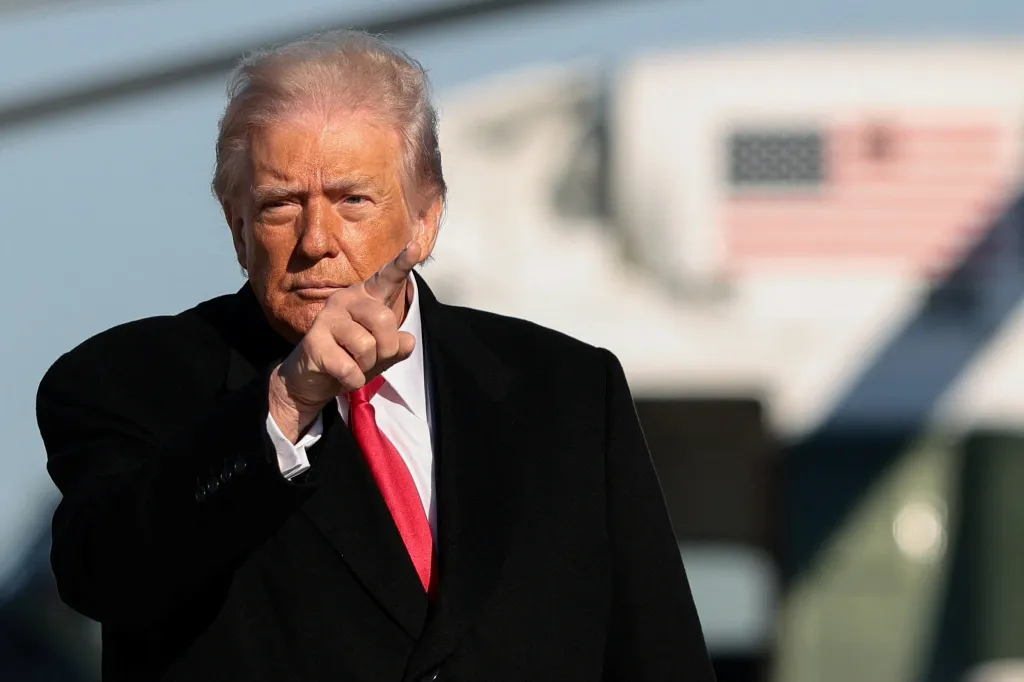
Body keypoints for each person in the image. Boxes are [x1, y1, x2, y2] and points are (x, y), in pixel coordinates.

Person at [36, 30, 715, 682]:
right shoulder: (123, 382)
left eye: (352, 200)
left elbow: (657, 655)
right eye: (280, 206)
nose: (316, 241)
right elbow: (108, 578)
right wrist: (284, 404)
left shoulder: (565, 391)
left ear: (426, 220)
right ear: (236, 225)